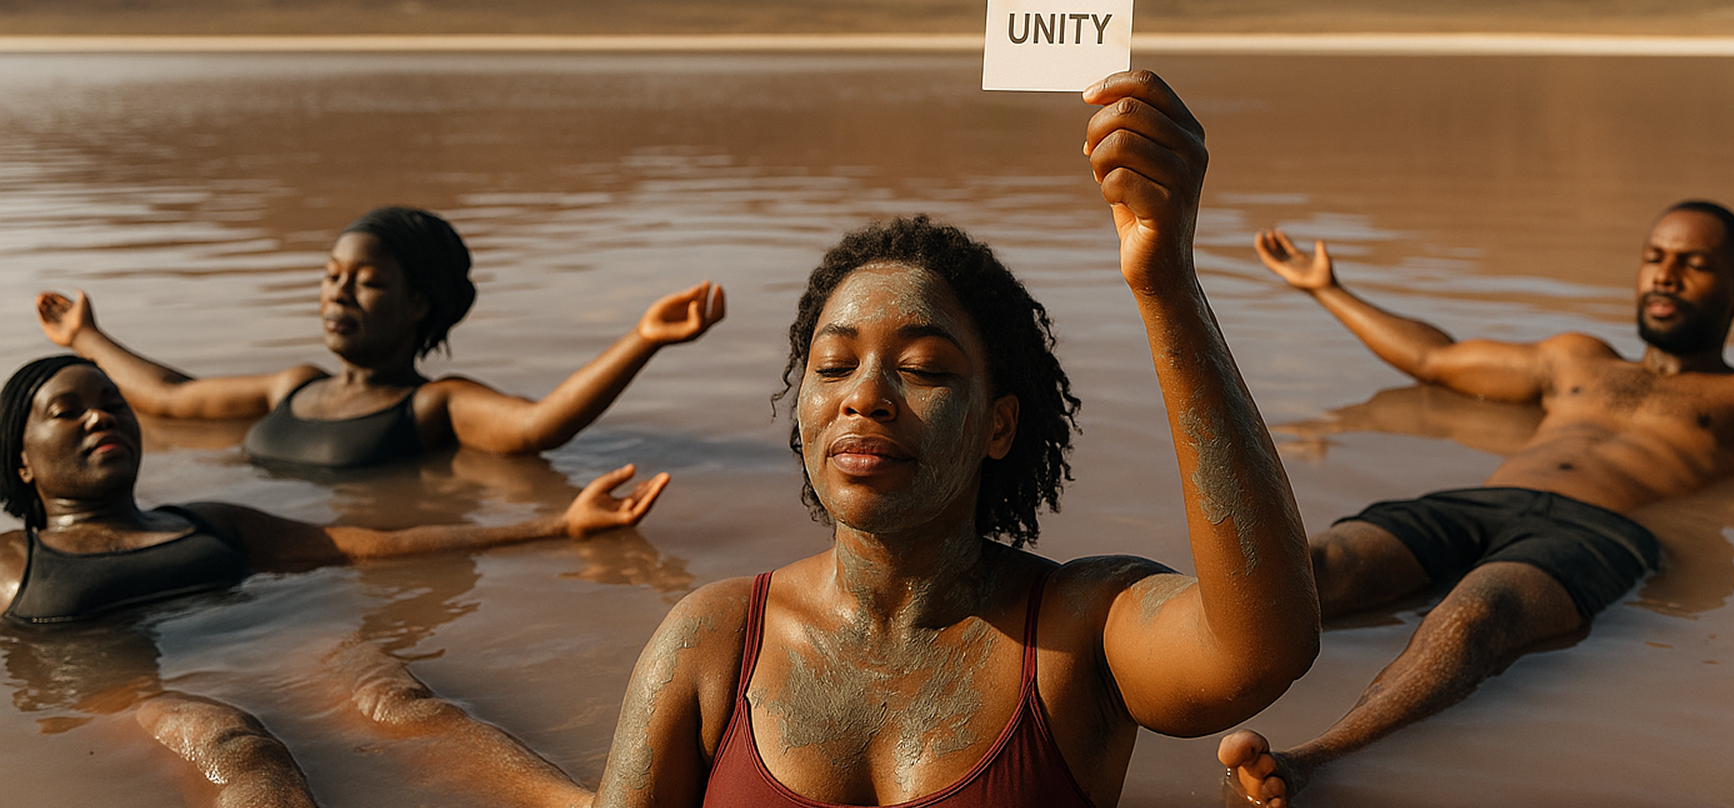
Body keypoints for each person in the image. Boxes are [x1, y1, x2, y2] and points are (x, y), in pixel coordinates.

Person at [312, 70, 1320, 808]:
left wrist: (1167, 285)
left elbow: (1259, 649)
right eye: (832, 366)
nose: (864, 398)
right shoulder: (711, 641)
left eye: (924, 369)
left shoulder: (1081, 632)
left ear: (1001, 425)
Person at [1221, 201, 1734, 806]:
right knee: (1313, 564)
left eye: (1695, 262)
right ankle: (1151, 657)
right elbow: (1437, 361)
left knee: (1474, 615)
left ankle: (1309, 763)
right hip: (1477, 504)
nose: (1666, 273)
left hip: (1598, 533)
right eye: (1655, 257)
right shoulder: (1574, 359)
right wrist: (1328, 290)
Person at [0, 353, 669, 806]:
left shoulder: (209, 522)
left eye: (114, 402)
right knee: (235, 744)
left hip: (268, 642)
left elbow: (365, 546)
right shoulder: (10, 561)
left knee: (398, 700)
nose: (101, 416)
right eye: (67, 410)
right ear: (22, 462)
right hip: (122, 686)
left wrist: (557, 528)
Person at [33, 205, 725, 467]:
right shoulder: (291, 385)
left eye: (365, 280)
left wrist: (643, 338)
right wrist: (86, 337)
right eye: (332, 275)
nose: (338, 290)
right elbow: (170, 397)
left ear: (418, 302)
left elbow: (537, 427)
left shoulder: (434, 406)